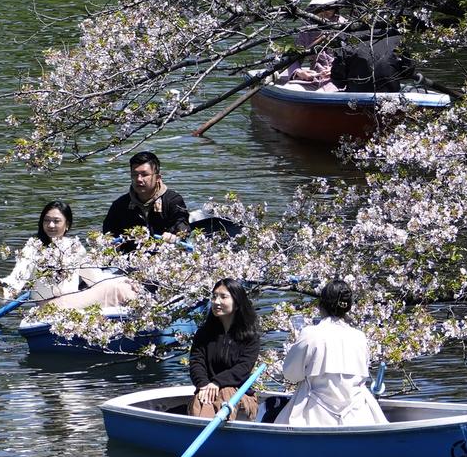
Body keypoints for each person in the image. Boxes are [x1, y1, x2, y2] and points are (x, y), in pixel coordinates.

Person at [274, 280, 388, 426]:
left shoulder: (310, 334)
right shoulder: (360, 337)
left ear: (321, 305)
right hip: (358, 416)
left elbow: (291, 374)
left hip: (314, 415)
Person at [0, 200, 138, 309]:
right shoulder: (33, 247)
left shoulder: (74, 246)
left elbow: (94, 279)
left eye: (56, 221)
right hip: (49, 307)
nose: (51, 225)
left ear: (67, 225)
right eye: (47, 221)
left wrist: (123, 280)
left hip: (74, 301)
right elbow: (15, 282)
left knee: (122, 285)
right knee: (118, 290)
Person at [188, 278, 261, 421]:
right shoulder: (204, 334)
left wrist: (217, 382)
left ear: (237, 302)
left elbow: (243, 368)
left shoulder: (250, 337)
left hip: (238, 394)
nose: (216, 302)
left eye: (223, 297)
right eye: (214, 296)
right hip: (207, 392)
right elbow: (196, 362)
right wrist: (203, 384)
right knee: (203, 399)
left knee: (225, 393)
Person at [102, 151, 190, 243]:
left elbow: (183, 228)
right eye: (135, 175)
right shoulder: (120, 205)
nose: (139, 179)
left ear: (157, 178)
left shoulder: (173, 200)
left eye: (144, 175)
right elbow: (108, 234)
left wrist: (174, 236)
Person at [285, 0, 346, 92]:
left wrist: (336, 70)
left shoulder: (345, 26)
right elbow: (295, 56)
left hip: (339, 80)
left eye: (328, 7)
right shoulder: (307, 28)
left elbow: (354, 59)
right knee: (291, 89)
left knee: (326, 92)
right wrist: (299, 72)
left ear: (336, 7)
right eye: (320, 7)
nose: (324, 11)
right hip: (315, 79)